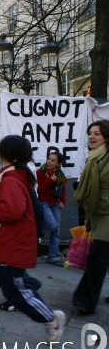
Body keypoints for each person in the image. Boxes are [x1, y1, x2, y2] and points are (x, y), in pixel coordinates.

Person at [0, 135, 65, 343]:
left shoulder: (12, 179)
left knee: (15, 292)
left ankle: (51, 319)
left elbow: (13, 210)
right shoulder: (12, 175)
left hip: (11, 245)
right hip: (0, 244)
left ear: (5, 154)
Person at [73, 120, 109, 314]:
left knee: (97, 256)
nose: (92, 137)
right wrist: (88, 216)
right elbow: (90, 191)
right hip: (97, 213)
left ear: (106, 137)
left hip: (108, 214)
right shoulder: (94, 158)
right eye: (90, 133)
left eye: (97, 134)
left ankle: (85, 301)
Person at [36, 152, 67, 266]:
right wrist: (50, 180)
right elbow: (39, 190)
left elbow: (63, 190)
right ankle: (36, 224)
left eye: (53, 160)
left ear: (58, 163)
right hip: (44, 202)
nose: (49, 162)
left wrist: (63, 202)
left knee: (56, 230)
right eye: (49, 159)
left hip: (55, 203)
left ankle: (53, 256)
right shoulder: (40, 172)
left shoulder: (60, 174)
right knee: (53, 225)